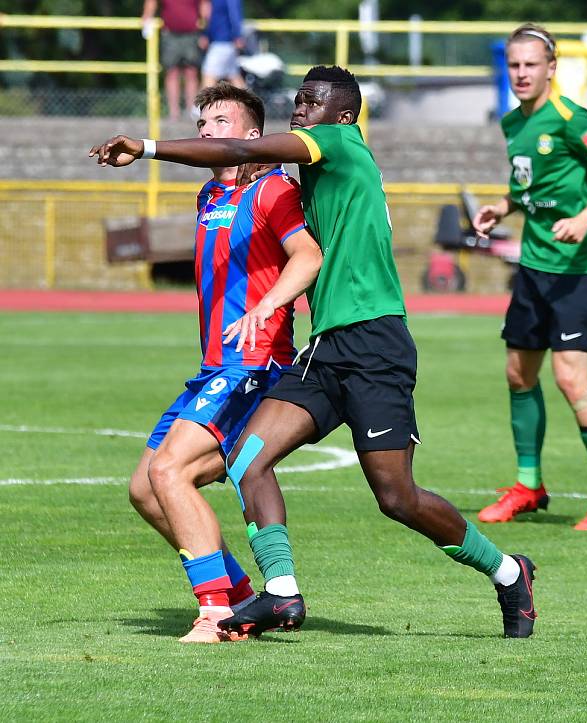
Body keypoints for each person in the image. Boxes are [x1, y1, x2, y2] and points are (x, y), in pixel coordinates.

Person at [90, 65, 537, 640]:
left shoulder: (340, 143)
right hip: (325, 350)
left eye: (311, 102)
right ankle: (279, 595)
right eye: (297, 101)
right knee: (248, 458)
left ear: (343, 116)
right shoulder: (304, 183)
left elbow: (237, 150)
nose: (299, 109)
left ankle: (507, 571)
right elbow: (247, 168)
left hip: (376, 344)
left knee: (397, 497)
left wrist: (148, 146)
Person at [125, 81, 322, 643]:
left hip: (254, 366)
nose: (208, 131)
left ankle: (214, 611)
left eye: (220, 123)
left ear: (252, 136)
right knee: (145, 489)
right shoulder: (209, 196)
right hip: (214, 368)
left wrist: (267, 306)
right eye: (203, 122)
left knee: (170, 472)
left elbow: (308, 256)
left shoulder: (273, 191)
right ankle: (239, 596)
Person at [472, 24, 587, 531]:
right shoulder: (512, 123)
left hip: (576, 270)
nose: (521, 74)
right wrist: (501, 207)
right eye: (514, 65)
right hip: (534, 267)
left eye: (530, 65)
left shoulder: (570, 118)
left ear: (551, 69)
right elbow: (526, 188)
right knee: (519, 375)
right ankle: (528, 484)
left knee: (569, 378)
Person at [141, 0, 210, 121]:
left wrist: (207, 31)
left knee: (191, 72)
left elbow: (205, 5)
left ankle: (191, 111)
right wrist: (147, 16)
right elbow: (151, 2)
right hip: (170, 34)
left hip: (192, 33)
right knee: (172, 72)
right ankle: (174, 113)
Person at [199, 0, 247, 89]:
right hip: (220, 42)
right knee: (234, 77)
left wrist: (237, 35)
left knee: (208, 77)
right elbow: (210, 18)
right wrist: (206, 35)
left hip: (223, 42)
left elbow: (235, 15)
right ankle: (250, 102)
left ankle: (202, 103)